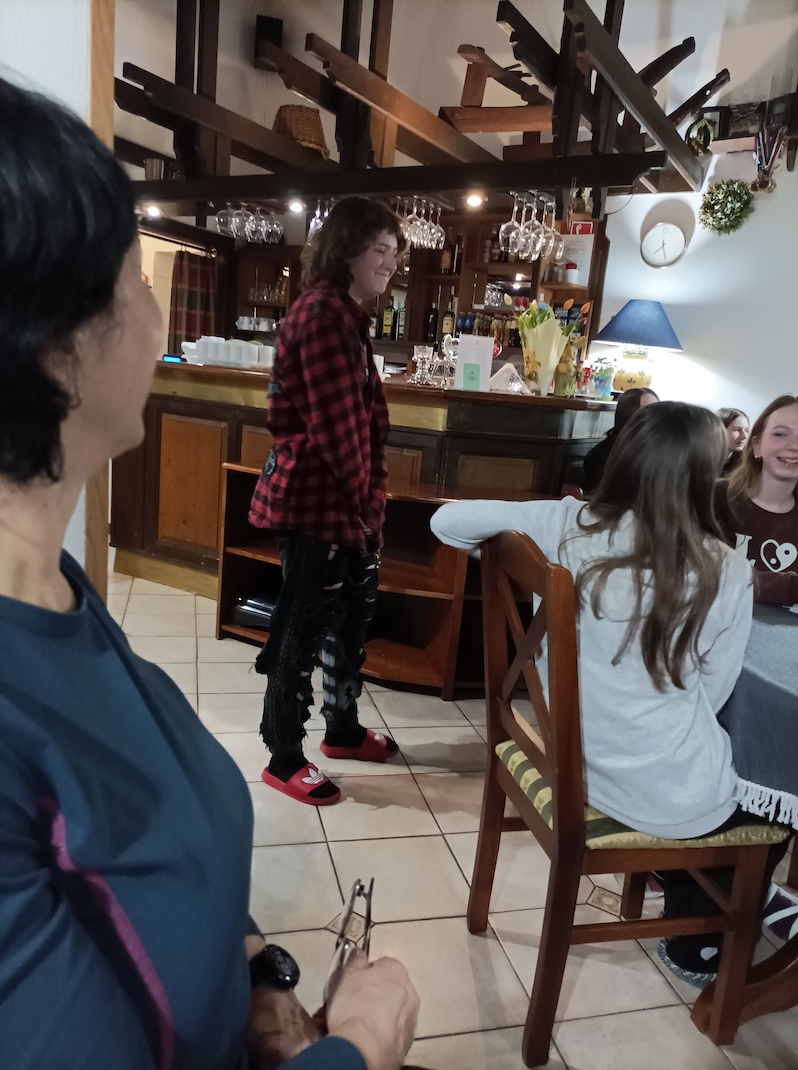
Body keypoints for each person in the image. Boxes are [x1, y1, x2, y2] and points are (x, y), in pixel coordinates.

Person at [0, 74, 418, 1070]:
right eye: (135, 278)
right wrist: (364, 1042)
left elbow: (147, 869)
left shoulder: (55, 592)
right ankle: (294, 742)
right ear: (55, 351)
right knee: (301, 630)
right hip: (322, 509)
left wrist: (257, 971)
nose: (158, 318)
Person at [431, 402, 787, 987]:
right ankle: (697, 939)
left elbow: (448, 522)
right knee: (776, 791)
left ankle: (684, 891)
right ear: (708, 475)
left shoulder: (568, 524)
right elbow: (714, 695)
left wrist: (510, 550)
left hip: (565, 761)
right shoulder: (726, 569)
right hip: (662, 798)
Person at [249, 198, 405, 806]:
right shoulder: (322, 315)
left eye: (394, 251)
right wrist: (367, 511)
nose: (390, 262)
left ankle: (340, 729)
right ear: (346, 249)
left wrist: (366, 510)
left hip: (341, 502)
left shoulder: (345, 315)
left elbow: (357, 428)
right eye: (379, 249)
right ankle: (283, 756)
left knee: (349, 619)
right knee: (302, 629)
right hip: (317, 502)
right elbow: (340, 434)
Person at [715, 395, 798, 606]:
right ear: (757, 445)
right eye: (780, 434)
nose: (794, 446)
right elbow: (706, 573)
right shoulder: (713, 497)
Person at [581, 387, 658, 494]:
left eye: (657, 410)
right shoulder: (603, 454)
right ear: (629, 414)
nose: (656, 417)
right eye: (648, 411)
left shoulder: (658, 449)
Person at [717, 406, 749, 477]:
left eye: (747, 430)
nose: (744, 436)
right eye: (737, 430)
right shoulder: (701, 463)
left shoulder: (746, 464)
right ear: (720, 431)